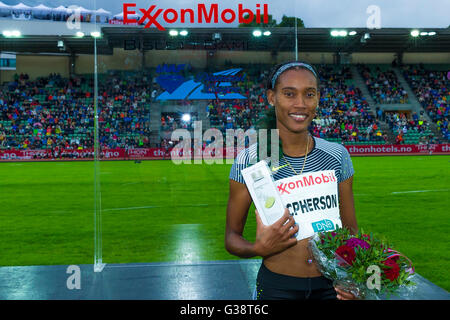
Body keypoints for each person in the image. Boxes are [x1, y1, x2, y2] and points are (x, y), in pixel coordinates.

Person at [225, 61, 358, 300]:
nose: (301, 104)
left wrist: (354, 282)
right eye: (289, 94)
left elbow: (350, 232)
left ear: (318, 98)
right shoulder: (250, 160)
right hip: (277, 288)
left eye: (309, 94)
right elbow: (232, 238)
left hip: (333, 289)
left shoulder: (337, 156)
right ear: (271, 97)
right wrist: (258, 249)